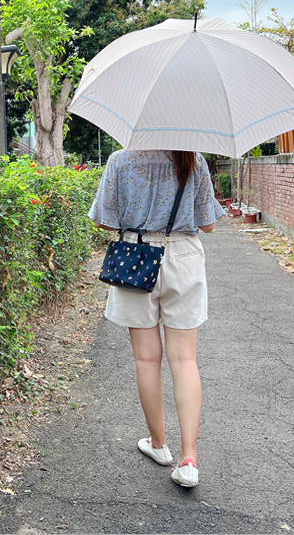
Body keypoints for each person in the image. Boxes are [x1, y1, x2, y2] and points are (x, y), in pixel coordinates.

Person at [88, 149, 225, 488]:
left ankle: (159, 445)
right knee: (184, 358)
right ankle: (189, 458)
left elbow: (103, 219)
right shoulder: (192, 158)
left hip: (136, 256)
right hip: (184, 257)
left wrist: (139, 211)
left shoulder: (121, 160)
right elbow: (207, 224)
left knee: (147, 359)